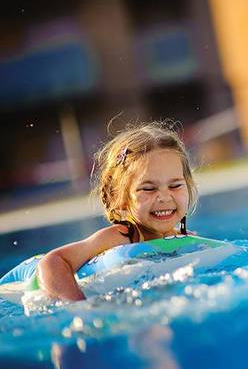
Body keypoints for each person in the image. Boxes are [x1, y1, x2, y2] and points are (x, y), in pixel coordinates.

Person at [36, 121, 198, 302]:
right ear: (118, 197)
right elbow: (53, 261)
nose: (165, 197)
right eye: (148, 189)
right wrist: (79, 307)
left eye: (175, 185)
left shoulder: (184, 237)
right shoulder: (121, 237)